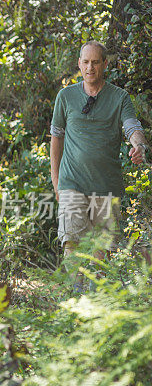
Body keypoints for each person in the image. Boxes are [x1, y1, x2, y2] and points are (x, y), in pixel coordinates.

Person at [50, 40, 148, 260]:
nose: (89, 68)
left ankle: (95, 294)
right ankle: (76, 293)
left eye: (95, 62)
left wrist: (139, 145)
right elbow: (56, 138)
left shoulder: (119, 97)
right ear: (79, 63)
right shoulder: (66, 96)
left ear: (105, 64)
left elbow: (132, 126)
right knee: (72, 243)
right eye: (85, 62)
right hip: (71, 183)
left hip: (106, 186)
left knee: (102, 251)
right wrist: (57, 183)